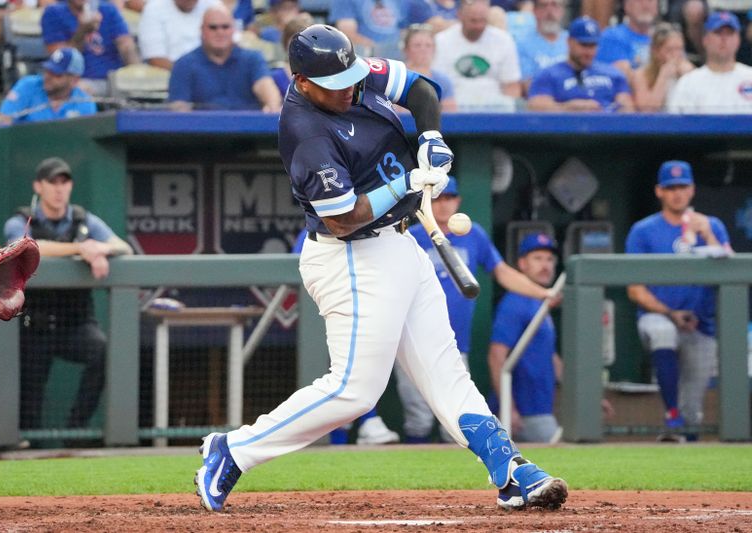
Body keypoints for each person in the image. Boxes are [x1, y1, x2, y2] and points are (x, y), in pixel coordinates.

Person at [194, 23, 567, 513]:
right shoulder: (305, 132)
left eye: (351, 76)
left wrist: (430, 135)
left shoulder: (344, 75)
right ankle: (234, 450)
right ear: (303, 82)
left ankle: (511, 470)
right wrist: (408, 181)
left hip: (400, 242)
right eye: (335, 84)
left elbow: (420, 88)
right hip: (349, 255)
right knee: (354, 391)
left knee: (446, 370)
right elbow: (345, 219)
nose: (350, 88)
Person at [396, 178, 557, 443]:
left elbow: (502, 272)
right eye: (436, 198)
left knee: (458, 419)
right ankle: (417, 484)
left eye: (449, 198)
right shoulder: (411, 237)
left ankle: (454, 483)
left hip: (455, 343)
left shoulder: (474, 235)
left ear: (458, 201)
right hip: (414, 339)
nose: (443, 204)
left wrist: (543, 293)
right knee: (419, 417)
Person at [3, 156, 133, 440]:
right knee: (30, 405)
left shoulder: (83, 219)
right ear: (39, 186)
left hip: (76, 323)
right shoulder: (22, 219)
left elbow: (122, 247)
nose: (59, 189)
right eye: (52, 182)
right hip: (33, 325)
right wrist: (80, 249)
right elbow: (22, 246)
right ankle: (29, 445)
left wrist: (99, 249)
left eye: (65, 182)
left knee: (101, 351)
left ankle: (75, 430)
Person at [625, 160, 732, 442]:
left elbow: (731, 266)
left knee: (693, 414)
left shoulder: (713, 226)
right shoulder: (643, 230)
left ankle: (684, 456)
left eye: (682, 186)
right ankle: (671, 411)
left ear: (692, 189)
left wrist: (707, 234)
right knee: (663, 332)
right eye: (670, 187)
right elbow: (635, 289)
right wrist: (671, 313)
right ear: (659, 191)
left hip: (700, 324)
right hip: (659, 316)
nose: (677, 193)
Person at [292, 227, 400, 446]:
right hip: (321, 316)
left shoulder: (366, 231)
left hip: (357, 312)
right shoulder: (309, 235)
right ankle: (339, 441)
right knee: (337, 381)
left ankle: (368, 421)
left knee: (362, 370)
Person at [487, 233, 562, 443]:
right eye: (537, 258)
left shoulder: (541, 303)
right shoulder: (516, 302)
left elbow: (552, 357)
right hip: (524, 411)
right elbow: (496, 356)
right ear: (522, 264)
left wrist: (585, 396)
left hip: (542, 407)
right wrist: (509, 409)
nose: (545, 265)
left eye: (549, 259)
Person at [168, 3, 282, 112]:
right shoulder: (183, 65)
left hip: (248, 129)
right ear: (202, 30)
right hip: (201, 130)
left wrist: (272, 105)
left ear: (234, 30)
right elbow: (179, 109)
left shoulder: (253, 59)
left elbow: (266, 87)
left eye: (225, 27)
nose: (220, 32)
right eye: (213, 27)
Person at [527, 16, 635, 112]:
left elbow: (627, 109)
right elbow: (536, 106)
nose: (589, 52)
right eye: (584, 45)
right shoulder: (549, 75)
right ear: (569, 42)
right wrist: (567, 109)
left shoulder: (614, 74)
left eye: (593, 45)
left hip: (606, 131)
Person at [432, 0, 521, 112]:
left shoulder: (504, 40)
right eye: (473, 21)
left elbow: (511, 86)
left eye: (482, 21)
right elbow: (438, 85)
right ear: (460, 16)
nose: (478, 26)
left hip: (495, 109)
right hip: (455, 107)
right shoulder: (441, 41)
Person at [41, 0, 141, 95]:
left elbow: (126, 46)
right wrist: (83, 30)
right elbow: (60, 59)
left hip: (112, 79)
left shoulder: (108, 10)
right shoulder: (53, 12)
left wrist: (137, 75)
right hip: (76, 80)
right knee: (79, 89)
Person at [668, 11, 752, 114]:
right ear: (705, 39)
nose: (724, 39)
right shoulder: (688, 83)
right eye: (718, 33)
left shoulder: (749, 77)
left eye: (729, 33)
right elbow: (676, 125)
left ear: (738, 40)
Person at [0, 47, 96, 125]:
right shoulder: (28, 86)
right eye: (48, 70)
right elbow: (3, 122)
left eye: (57, 74)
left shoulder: (84, 103)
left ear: (74, 80)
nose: (48, 76)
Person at [630, 22, 694, 112]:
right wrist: (663, 77)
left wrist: (689, 77)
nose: (676, 55)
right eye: (670, 50)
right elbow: (647, 110)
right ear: (655, 51)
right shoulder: (640, 75)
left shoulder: (689, 72)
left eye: (679, 49)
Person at [137, 0, 215, 70]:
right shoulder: (153, 9)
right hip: (170, 77)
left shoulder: (213, 6)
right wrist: (192, 75)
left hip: (211, 73)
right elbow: (155, 60)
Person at [516, 0, 568, 96]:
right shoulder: (521, 43)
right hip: (539, 105)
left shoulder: (572, 41)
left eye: (555, 5)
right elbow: (528, 86)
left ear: (562, 10)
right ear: (534, 11)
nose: (550, 11)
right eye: (543, 6)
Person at [595, 0, 658, 79]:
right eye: (639, 1)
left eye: (650, 1)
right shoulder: (611, 37)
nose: (645, 6)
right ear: (626, 6)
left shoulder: (665, 38)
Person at [401, 23, 456, 112]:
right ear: (406, 50)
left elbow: (451, 115)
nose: (423, 49)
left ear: (434, 49)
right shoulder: (396, 77)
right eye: (417, 45)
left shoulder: (443, 81)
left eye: (428, 45)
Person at [329, 0, 412, 59]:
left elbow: (405, 28)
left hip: (399, 53)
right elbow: (347, 33)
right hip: (365, 56)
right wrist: (380, 50)